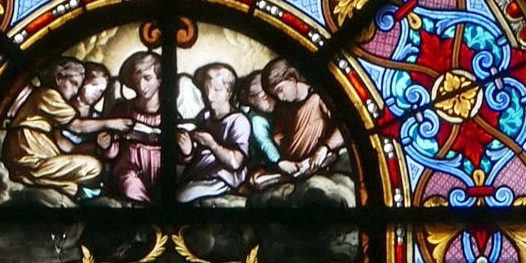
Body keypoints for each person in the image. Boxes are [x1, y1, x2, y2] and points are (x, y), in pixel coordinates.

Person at [2, 58, 122, 201]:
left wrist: (98, 147)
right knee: (94, 167)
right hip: (27, 149)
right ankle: (35, 176)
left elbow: (69, 147)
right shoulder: (48, 95)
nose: (76, 91)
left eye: (102, 90)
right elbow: (76, 126)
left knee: (74, 183)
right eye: (74, 83)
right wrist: (112, 123)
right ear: (59, 78)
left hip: (39, 149)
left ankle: (68, 189)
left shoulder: (58, 111)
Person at [261, 56, 348, 183]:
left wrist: (325, 147)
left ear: (292, 78)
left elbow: (344, 128)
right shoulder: (282, 108)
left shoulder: (318, 99)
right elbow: (278, 136)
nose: (280, 97)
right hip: (292, 169)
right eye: (275, 94)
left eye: (281, 89)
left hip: (316, 164)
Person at [177, 63, 250, 201]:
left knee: (182, 197)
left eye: (217, 90)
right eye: (206, 89)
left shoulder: (238, 121)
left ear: (229, 92)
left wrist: (212, 144)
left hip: (223, 178)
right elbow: (194, 155)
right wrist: (187, 151)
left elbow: (236, 162)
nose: (210, 96)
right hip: (201, 175)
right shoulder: (204, 117)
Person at [101, 50, 163, 202]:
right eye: (136, 81)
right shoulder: (123, 110)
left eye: (147, 78)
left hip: (162, 173)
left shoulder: (171, 114)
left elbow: (182, 155)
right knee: (129, 185)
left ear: (160, 80)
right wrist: (106, 146)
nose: (141, 86)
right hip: (128, 169)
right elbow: (111, 152)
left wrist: (186, 151)